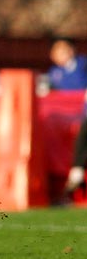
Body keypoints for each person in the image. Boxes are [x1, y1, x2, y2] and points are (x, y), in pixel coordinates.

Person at [46, 38, 87, 196]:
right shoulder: (54, 73)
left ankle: (76, 175)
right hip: (67, 119)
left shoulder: (83, 65)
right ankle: (75, 176)